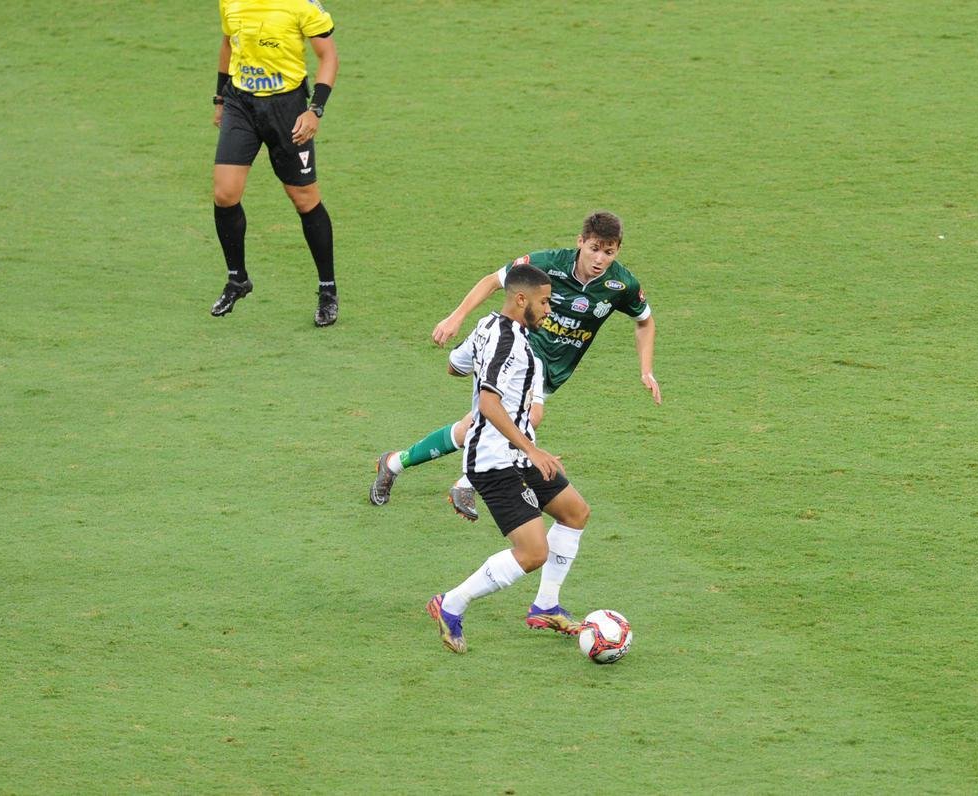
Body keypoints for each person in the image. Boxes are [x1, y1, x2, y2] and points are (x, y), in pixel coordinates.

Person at [370, 211, 660, 519]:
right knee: (529, 416)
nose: (600, 258)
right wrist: (455, 317)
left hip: (552, 373)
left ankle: (393, 463)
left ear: (618, 250)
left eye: (609, 252)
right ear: (580, 242)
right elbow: (493, 281)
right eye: (594, 249)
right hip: (519, 353)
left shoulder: (621, 284)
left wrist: (646, 369)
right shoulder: (547, 264)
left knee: (475, 424)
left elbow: (645, 322)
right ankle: (467, 483)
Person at [427, 264, 592, 653]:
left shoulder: (487, 326)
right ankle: (451, 605)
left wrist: (532, 449)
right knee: (533, 552)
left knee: (575, 512)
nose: (549, 310)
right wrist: (531, 449)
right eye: (545, 301)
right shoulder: (509, 343)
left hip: (518, 455)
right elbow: (488, 401)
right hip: (494, 461)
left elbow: (456, 365)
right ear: (522, 300)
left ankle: (545, 605)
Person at [210, 0, 340, 327]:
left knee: (304, 199)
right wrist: (220, 99)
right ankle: (237, 279)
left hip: (288, 108)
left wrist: (316, 110)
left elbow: (329, 56)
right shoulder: (231, 2)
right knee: (225, 194)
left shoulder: (302, 6)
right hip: (241, 104)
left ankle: (328, 290)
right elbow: (228, 43)